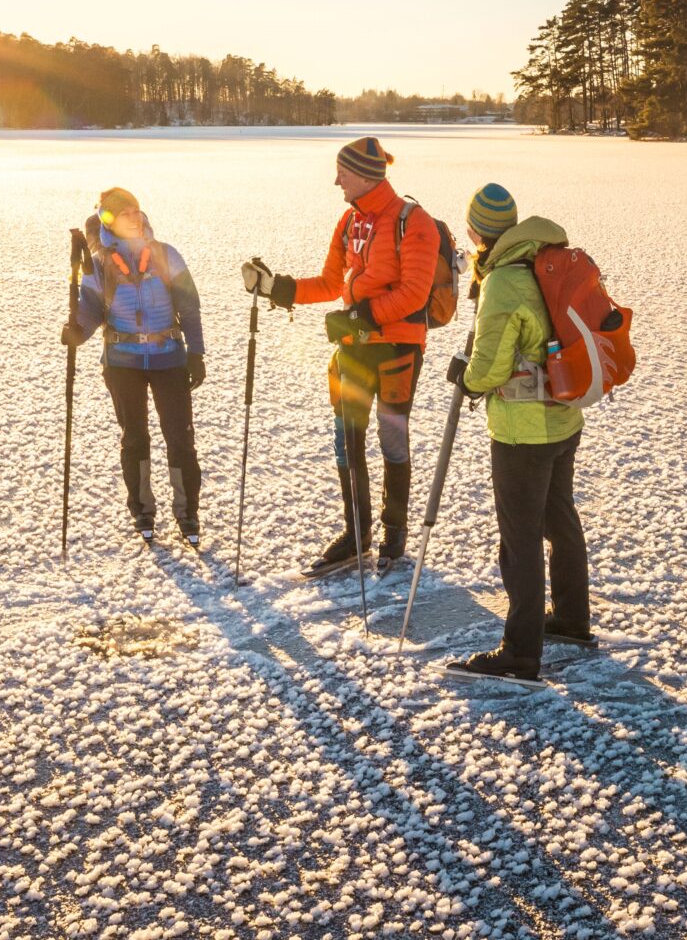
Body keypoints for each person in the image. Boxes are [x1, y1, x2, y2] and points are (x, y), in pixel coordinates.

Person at [241, 136, 440, 575]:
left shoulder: (414, 221)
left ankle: (393, 534)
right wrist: (279, 289)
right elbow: (333, 282)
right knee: (345, 441)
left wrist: (363, 317)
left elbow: (414, 293)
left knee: (391, 442)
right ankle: (356, 534)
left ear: (367, 176)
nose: (336, 181)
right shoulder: (350, 221)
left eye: (343, 174)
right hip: (353, 349)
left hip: (396, 350)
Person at [446, 183, 592, 681]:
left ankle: (521, 651)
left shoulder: (506, 281)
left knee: (521, 539)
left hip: (522, 433)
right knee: (560, 522)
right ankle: (572, 619)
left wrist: (463, 377)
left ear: (479, 232)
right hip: (563, 419)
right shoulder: (545, 261)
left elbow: (487, 368)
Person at [62, 186, 206, 538]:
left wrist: (196, 353)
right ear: (109, 221)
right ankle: (142, 512)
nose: (135, 218)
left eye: (137, 211)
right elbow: (92, 310)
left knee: (180, 437)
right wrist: (77, 331)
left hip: (169, 358)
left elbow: (189, 307)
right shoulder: (97, 265)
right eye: (126, 213)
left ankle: (187, 513)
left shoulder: (167, 255)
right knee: (135, 438)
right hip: (122, 362)